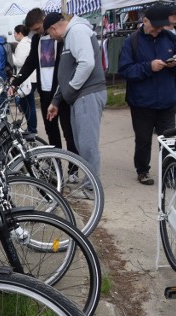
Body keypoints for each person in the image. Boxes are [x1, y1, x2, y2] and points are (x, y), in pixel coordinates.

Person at [119, 4, 176, 185]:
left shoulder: (169, 38)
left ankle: (171, 174)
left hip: (167, 99)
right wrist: (149, 67)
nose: (157, 30)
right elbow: (124, 70)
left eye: (161, 27)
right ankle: (142, 170)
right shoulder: (131, 41)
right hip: (141, 102)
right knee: (143, 140)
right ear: (144, 20)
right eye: (155, 27)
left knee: (169, 141)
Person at [45, 12, 107, 188]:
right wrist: (57, 100)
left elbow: (87, 63)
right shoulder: (69, 36)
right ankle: (88, 183)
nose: (51, 37)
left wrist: (70, 89)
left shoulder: (76, 31)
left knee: (87, 144)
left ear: (53, 28)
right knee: (81, 143)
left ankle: (90, 187)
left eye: (49, 34)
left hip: (87, 94)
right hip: (79, 96)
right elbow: (67, 74)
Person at [11, 8, 76, 163]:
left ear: (45, 20)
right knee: (51, 132)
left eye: (38, 28)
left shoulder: (61, 36)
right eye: (34, 31)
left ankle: (74, 168)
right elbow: (30, 63)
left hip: (62, 92)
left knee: (69, 132)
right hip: (45, 93)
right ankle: (56, 165)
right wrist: (15, 82)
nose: (38, 32)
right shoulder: (36, 40)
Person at [12, 25, 38, 135]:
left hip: (27, 80)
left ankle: (32, 129)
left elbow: (20, 62)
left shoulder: (22, 45)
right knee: (29, 104)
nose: (14, 35)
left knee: (27, 105)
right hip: (32, 78)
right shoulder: (29, 41)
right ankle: (32, 128)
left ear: (19, 33)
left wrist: (11, 55)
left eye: (14, 33)